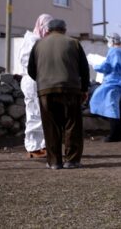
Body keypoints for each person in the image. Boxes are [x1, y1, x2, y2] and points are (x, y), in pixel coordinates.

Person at [27, 19, 90, 170]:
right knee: (72, 124)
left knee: (51, 126)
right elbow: (84, 69)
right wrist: (84, 89)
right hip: (70, 89)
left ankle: (54, 162)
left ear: (48, 30)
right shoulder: (74, 43)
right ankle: (72, 161)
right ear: (64, 29)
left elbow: (31, 70)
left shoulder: (38, 44)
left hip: (46, 90)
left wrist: (44, 81)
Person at [19, 13, 53, 159]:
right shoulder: (32, 41)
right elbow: (27, 62)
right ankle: (33, 147)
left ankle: (43, 145)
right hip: (33, 81)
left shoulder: (41, 41)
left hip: (41, 80)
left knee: (43, 113)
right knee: (34, 114)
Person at [89, 33, 121, 142]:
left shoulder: (113, 51)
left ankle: (114, 135)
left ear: (111, 40)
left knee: (112, 108)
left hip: (112, 81)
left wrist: (95, 66)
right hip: (119, 80)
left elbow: (107, 66)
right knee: (117, 107)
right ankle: (119, 134)